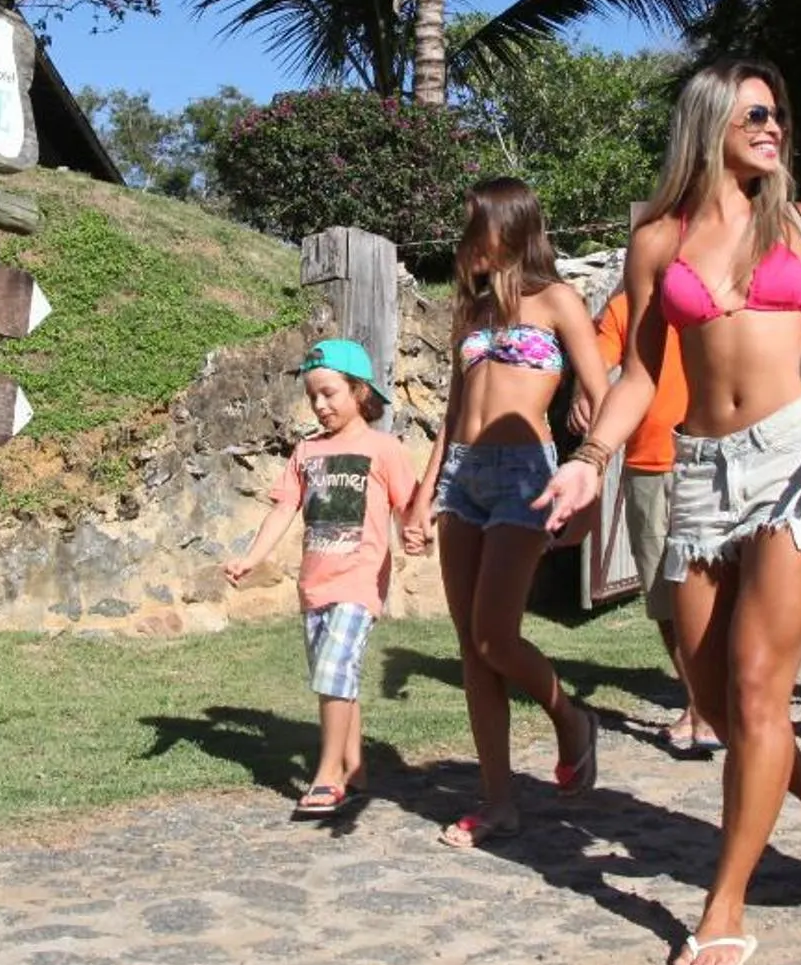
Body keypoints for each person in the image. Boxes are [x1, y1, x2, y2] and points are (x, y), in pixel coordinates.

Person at [535, 62, 801, 965]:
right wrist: (589, 461)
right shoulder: (657, 238)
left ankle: (724, 904)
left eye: (779, 114)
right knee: (712, 692)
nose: (774, 127)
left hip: (799, 456)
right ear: (709, 125)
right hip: (700, 466)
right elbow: (641, 373)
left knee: (756, 684)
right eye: (755, 115)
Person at [402, 180, 607, 849]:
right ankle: (498, 802)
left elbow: (604, 396)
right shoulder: (472, 312)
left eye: (474, 226)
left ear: (509, 226)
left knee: (495, 635)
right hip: (462, 477)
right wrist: (424, 495)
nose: (464, 240)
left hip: (526, 476)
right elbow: (453, 413)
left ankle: (570, 718)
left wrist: (593, 487)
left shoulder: (558, 301)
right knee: (471, 647)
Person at [225, 339, 419, 818]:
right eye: (312, 395)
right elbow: (284, 509)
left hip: (359, 582)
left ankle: (327, 775)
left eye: (329, 393)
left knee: (333, 670)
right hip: (314, 585)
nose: (319, 404)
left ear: (360, 391)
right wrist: (252, 558)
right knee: (336, 676)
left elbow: (409, 506)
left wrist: (417, 533)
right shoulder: (307, 450)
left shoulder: (384, 449)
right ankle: (355, 769)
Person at [591, 284, 720, 757]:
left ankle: (711, 705)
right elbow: (596, 365)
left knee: (709, 590)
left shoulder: (710, 296)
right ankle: (699, 702)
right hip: (646, 464)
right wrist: (585, 395)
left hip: (707, 459)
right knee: (662, 596)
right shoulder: (625, 308)